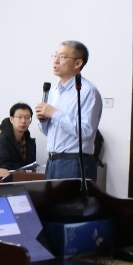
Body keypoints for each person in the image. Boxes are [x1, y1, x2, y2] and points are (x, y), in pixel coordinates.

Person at [36, 40, 102, 181]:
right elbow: (49, 132)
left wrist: (54, 113)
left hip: (75, 162)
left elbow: (86, 131)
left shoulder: (87, 91)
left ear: (78, 63)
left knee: (73, 197)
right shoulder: (54, 91)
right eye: (55, 55)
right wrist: (43, 120)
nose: (55, 61)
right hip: (52, 161)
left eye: (62, 57)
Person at [0, 103, 38, 171]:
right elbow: (1, 168)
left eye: (27, 117)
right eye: (19, 117)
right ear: (11, 119)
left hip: (20, 177)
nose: (23, 121)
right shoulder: (0, 141)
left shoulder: (29, 142)